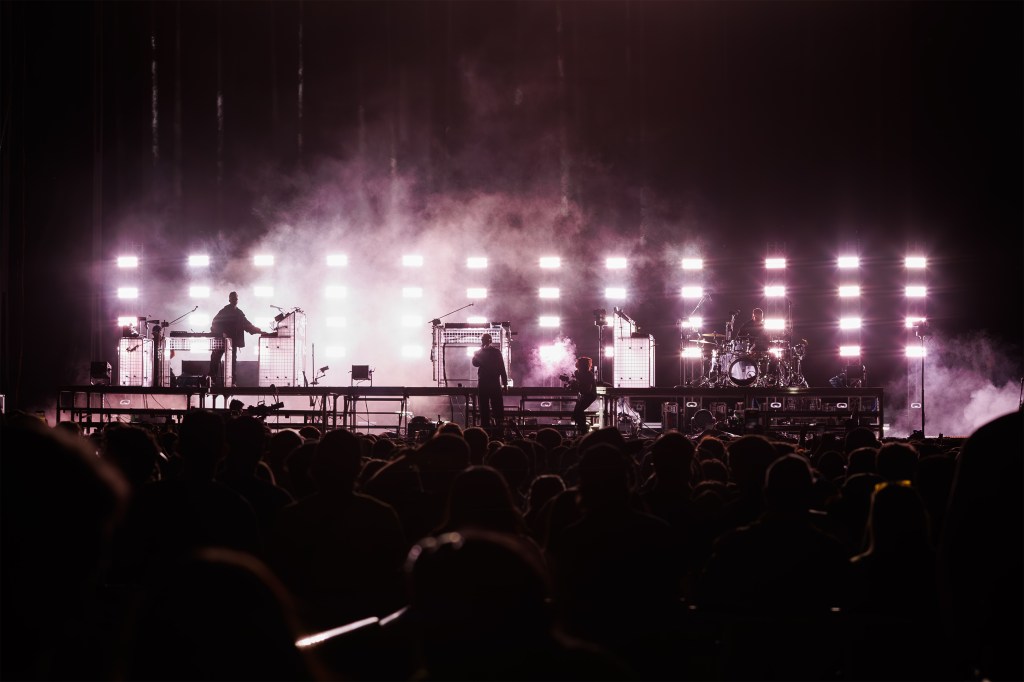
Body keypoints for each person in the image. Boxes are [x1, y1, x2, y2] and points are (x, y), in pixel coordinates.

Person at [210, 291, 263, 386]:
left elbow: (247, 325)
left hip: (230, 342)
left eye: (236, 298)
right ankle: (214, 380)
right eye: (233, 298)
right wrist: (221, 333)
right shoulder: (228, 312)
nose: (235, 300)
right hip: (223, 340)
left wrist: (259, 331)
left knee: (229, 362)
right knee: (218, 359)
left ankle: (230, 382)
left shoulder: (238, 313)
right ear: (230, 300)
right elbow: (215, 323)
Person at [471, 333, 508, 436]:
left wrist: (478, 352)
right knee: (497, 407)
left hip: (484, 382)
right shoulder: (496, 352)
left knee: (484, 407)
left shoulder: (481, 352)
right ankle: (498, 431)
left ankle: (486, 431)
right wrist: (505, 384)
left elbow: (475, 363)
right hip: (494, 382)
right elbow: (502, 368)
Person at [570, 356, 598, 436]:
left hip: (590, 395)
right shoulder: (579, 373)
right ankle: (583, 431)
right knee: (577, 412)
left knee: (578, 412)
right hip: (585, 395)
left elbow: (587, 390)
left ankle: (583, 431)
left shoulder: (588, 374)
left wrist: (576, 386)